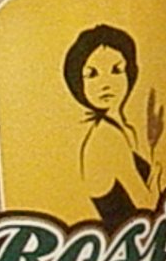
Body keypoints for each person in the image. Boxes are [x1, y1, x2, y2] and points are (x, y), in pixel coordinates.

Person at [63, 24, 157, 231]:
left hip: (139, 242)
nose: (105, 83)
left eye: (116, 70)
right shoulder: (107, 137)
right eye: (92, 74)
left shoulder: (125, 128)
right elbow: (148, 205)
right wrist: (157, 173)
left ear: (129, 74)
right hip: (127, 243)